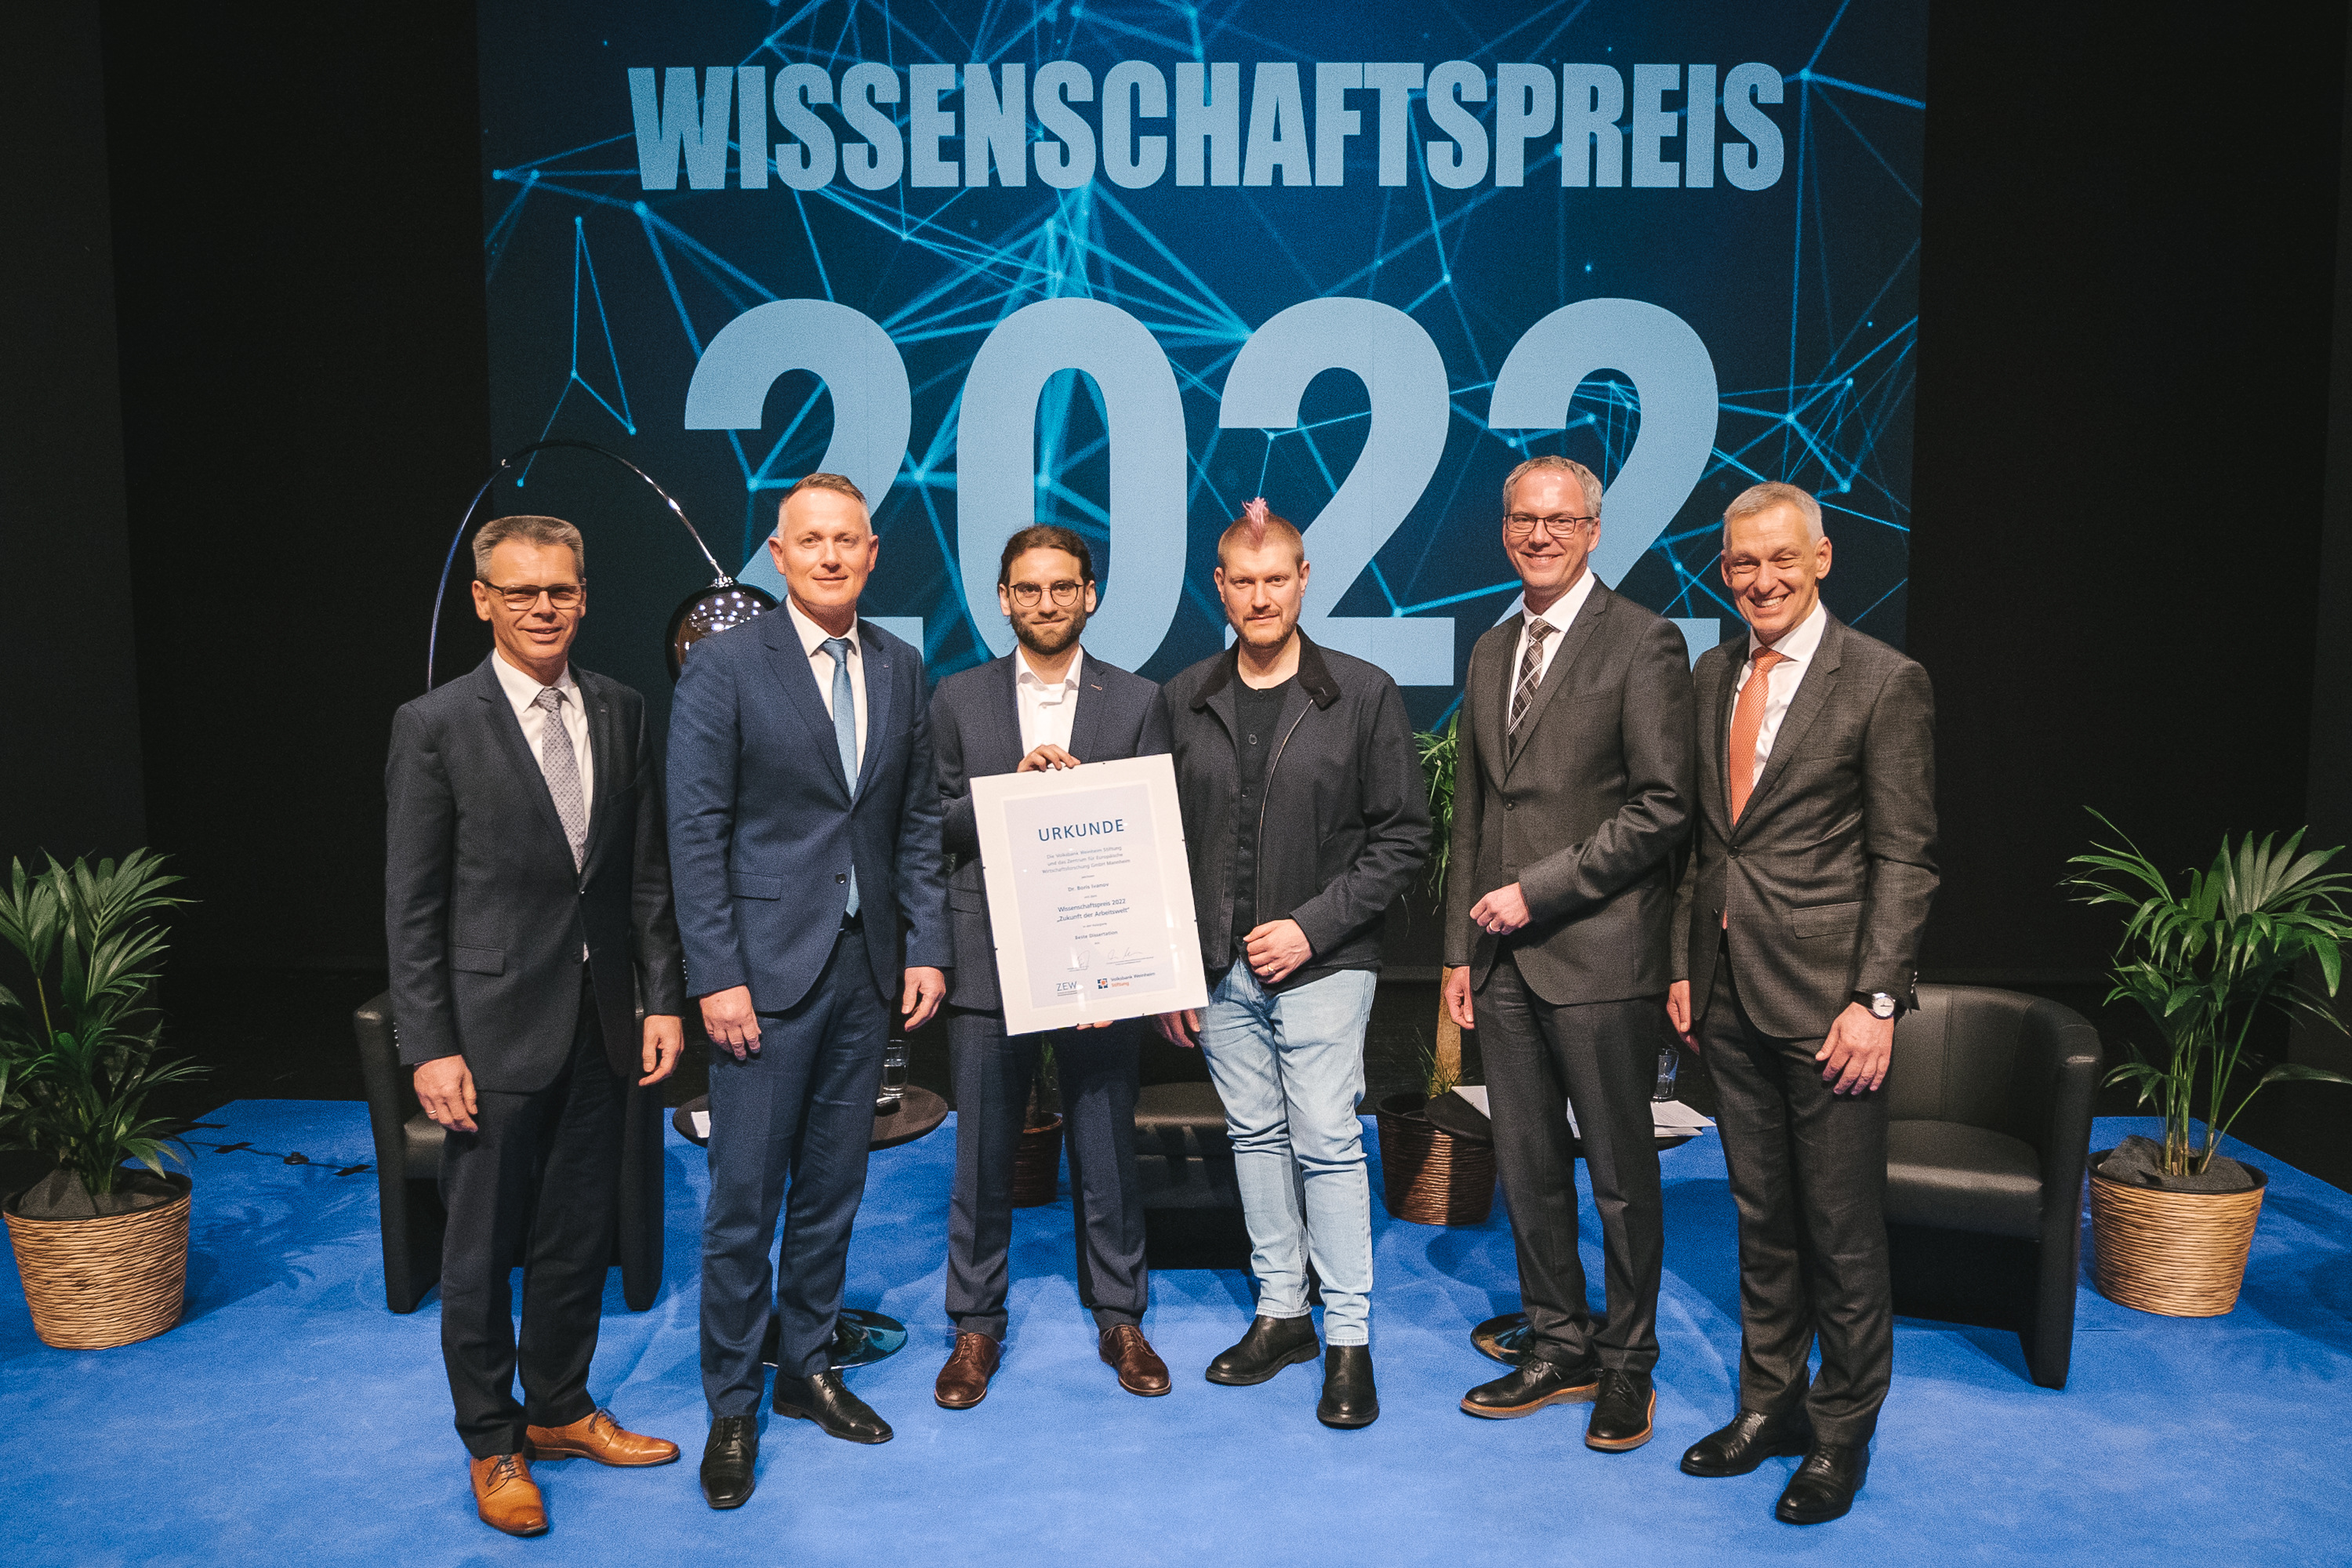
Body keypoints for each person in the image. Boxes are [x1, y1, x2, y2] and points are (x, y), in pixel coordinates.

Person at [385, 513, 687, 1538]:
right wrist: (430, 1044)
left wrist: (660, 998)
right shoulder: (435, 725)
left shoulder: (622, 708)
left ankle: (559, 1406)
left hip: (602, 1024)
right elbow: (411, 905)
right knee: (479, 1252)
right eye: (521, 592)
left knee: (575, 1234)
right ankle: (492, 1440)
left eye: (560, 589)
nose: (543, 608)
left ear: (584, 596)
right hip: (490, 1032)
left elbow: (644, 874)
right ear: (484, 601)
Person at [666, 473, 949, 1511]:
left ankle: (806, 1365)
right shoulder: (726, 665)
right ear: (777, 556)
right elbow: (695, 831)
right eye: (811, 539)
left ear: (872, 553)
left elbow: (914, 820)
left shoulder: (901, 665)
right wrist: (717, 976)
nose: (831, 555)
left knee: (834, 1189)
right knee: (744, 1200)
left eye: (848, 539)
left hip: (866, 972)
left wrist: (926, 947)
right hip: (762, 980)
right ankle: (733, 1405)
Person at [1667, 481, 1936, 1524]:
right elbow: (1709, 844)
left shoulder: (1883, 680)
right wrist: (1687, 964)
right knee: (1762, 1218)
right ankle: (1768, 1406)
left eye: (1782, 558)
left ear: (1822, 558)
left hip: (1833, 1009)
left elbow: (1905, 858)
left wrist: (1877, 1000)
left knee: (1841, 1231)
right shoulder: (1712, 673)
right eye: (1743, 562)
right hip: (1728, 992)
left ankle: (1840, 1435)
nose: (1762, 579)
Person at [1154, 499, 1428, 1429]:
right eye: (1244, 580)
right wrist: (1174, 966)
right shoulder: (1184, 696)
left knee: (1325, 1137)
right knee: (1255, 1137)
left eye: (1277, 578)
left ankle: (1348, 1336)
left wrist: (1311, 928)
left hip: (1324, 962)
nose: (1261, 596)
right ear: (1220, 586)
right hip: (1217, 971)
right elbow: (1155, 837)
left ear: (1304, 581)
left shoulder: (1363, 692)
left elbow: (1403, 837)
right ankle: (1283, 1313)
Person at [1441, 454, 1695, 1453]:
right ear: (1504, 528)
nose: (1538, 535)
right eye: (1522, 519)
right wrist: (1460, 946)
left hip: (1600, 955)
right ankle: (1560, 1342)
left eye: (1558, 520)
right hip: (1500, 962)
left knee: (1621, 1177)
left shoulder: (1644, 639)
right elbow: (1473, 809)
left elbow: (1663, 806)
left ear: (1593, 529)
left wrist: (1536, 892)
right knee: (1529, 1163)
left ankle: (1629, 1361)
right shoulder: (1490, 647)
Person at [927, 524, 1174, 1408]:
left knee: (1105, 1146)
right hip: (987, 958)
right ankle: (975, 1325)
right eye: (1027, 589)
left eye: (1062, 587)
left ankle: (1120, 1315)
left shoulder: (1137, 700)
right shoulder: (957, 698)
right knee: (981, 1156)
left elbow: (1154, 836)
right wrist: (1011, 791)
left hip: (1098, 962)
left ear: (1090, 594)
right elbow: (928, 824)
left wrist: (1136, 966)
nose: (1045, 603)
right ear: (1003, 598)